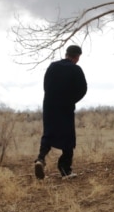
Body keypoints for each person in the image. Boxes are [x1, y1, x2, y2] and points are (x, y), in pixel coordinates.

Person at [35, 44, 87, 180]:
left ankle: (40, 159)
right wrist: (71, 100)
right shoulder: (76, 69)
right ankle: (65, 171)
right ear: (77, 57)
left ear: (66, 54)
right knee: (68, 138)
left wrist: (52, 98)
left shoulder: (52, 66)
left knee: (48, 133)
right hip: (66, 107)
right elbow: (83, 89)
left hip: (49, 106)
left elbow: (45, 85)